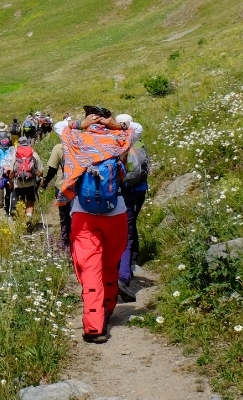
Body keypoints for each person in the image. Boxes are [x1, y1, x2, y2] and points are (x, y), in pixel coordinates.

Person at [56, 106, 138, 344]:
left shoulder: (77, 140)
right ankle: (108, 307)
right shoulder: (119, 140)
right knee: (110, 264)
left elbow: (59, 127)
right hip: (117, 213)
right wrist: (116, 125)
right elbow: (137, 128)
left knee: (91, 269)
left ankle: (94, 325)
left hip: (84, 214)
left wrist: (79, 124)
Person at [116, 114, 149, 303]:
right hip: (134, 190)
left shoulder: (106, 142)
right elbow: (138, 127)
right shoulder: (134, 140)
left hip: (112, 194)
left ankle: (109, 276)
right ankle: (125, 274)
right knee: (128, 233)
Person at [8, 136, 43, 229]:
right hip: (31, 183)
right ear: (28, 143)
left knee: (21, 203)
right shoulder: (33, 153)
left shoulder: (16, 154)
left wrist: (11, 183)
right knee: (30, 202)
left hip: (18, 183)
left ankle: (23, 224)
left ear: (19, 143)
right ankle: (29, 216)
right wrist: (38, 177)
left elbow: (11, 171)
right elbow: (40, 171)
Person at [41, 141, 70, 249]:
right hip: (79, 187)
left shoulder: (59, 148)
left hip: (62, 186)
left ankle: (65, 241)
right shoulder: (82, 145)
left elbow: (52, 169)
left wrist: (45, 181)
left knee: (64, 216)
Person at [0, 138, 13, 210]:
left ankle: (1, 203)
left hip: (1, 171)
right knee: (8, 186)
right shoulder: (11, 150)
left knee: (1, 187)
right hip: (9, 170)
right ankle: (8, 203)